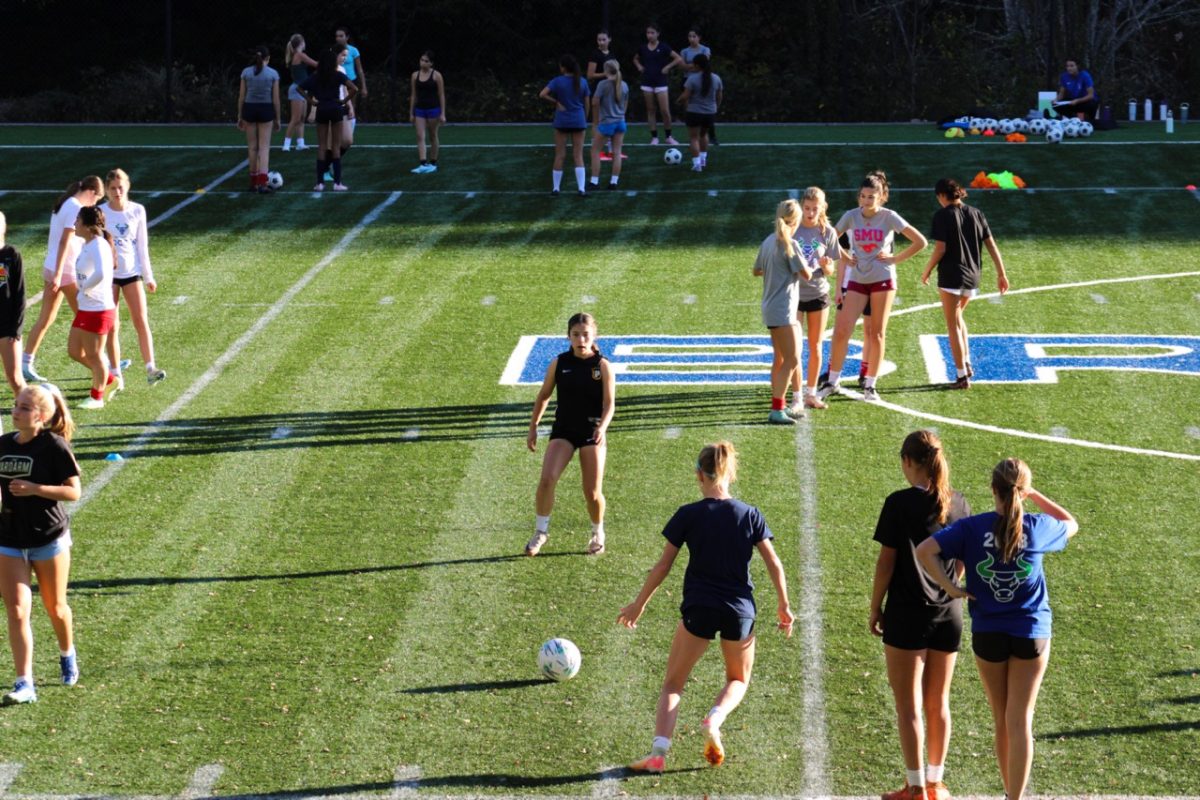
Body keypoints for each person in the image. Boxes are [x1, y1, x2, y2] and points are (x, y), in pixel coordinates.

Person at [618, 441, 794, 773]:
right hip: (740, 611)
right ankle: (715, 718)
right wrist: (784, 605)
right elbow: (774, 563)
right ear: (729, 472)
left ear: (700, 474)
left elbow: (662, 566)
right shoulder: (750, 514)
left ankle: (658, 755)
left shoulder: (688, 514)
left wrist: (638, 604)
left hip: (699, 607)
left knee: (673, 684)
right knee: (737, 679)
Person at [916, 459, 1079, 800]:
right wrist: (1034, 496)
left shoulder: (973, 528)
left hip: (988, 632)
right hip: (1032, 630)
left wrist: (953, 588)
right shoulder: (1036, 526)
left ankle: (1008, 790)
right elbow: (1070, 523)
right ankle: (1013, 798)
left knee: (1002, 719)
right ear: (1023, 490)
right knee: (1021, 720)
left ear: (993, 490)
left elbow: (925, 551)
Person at [870, 431, 971, 800]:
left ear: (908, 461)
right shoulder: (958, 503)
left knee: (908, 705)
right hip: (949, 614)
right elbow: (960, 562)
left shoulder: (898, 503)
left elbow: (886, 562)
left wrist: (874, 606)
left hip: (906, 613)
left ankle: (914, 787)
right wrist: (949, 587)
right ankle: (936, 782)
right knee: (938, 702)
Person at [0, 383, 81, 704]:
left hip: (48, 538)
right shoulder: (3, 444)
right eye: (16, 405)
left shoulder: (54, 447)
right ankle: (24, 683)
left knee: (55, 607)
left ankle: (67, 652)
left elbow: (74, 492)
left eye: (23, 408)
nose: (15, 411)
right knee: (17, 610)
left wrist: (36, 489)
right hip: (8, 538)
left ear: (42, 416)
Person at [820, 171, 928, 403]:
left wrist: (894, 259)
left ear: (881, 197)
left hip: (883, 280)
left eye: (871, 197)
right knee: (841, 331)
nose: (866, 201)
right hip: (858, 280)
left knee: (877, 333)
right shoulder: (851, 215)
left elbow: (921, 241)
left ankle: (870, 386)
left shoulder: (890, 217)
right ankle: (832, 382)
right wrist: (844, 256)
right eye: (863, 196)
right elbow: (829, 238)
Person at [525, 312, 614, 557]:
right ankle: (541, 531)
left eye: (585, 334)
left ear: (594, 336)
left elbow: (609, 404)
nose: (581, 339)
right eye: (576, 335)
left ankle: (598, 532)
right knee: (547, 479)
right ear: (568, 336)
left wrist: (602, 427)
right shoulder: (560, 363)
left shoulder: (602, 366)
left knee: (592, 492)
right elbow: (544, 395)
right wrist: (533, 426)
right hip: (563, 430)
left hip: (591, 432)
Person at [920, 178, 1009, 389]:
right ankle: (967, 364)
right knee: (959, 319)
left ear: (942, 196)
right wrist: (1001, 274)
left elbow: (940, 249)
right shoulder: (976, 213)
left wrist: (927, 269)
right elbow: (992, 245)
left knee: (952, 325)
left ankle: (961, 376)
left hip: (951, 275)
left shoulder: (942, 215)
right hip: (973, 276)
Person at [22, 176, 104, 384]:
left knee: (46, 318)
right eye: (96, 200)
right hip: (64, 271)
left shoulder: (66, 203)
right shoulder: (74, 207)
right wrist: (59, 274)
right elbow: (64, 242)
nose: (94, 205)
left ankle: (25, 362)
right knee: (87, 317)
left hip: (53, 268)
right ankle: (104, 365)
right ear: (91, 192)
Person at [100, 169, 167, 388]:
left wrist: (148, 276)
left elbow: (142, 245)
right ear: (107, 191)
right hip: (109, 276)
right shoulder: (100, 212)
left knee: (141, 320)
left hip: (132, 273)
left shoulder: (138, 210)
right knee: (112, 325)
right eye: (112, 188)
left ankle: (150, 367)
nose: (117, 192)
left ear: (127, 187)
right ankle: (115, 372)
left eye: (120, 187)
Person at [752, 199, 812, 425]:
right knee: (793, 359)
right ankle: (777, 408)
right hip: (783, 309)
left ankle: (778, 404)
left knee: (780, 358)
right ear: (795, 221)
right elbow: (806, 274)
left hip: (770, 306)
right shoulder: (790, 244)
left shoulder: (768, 241)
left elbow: (756, 270)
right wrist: (821, 265)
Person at [792, 187, 840, 410]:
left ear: (823, 208)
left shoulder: (827, 232)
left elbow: (831, 269)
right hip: (793, 295)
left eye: (815, 209)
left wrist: (826, 266)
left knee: (815, 345)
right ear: (802, 206)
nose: (810, 213)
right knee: (794, 348)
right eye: (807, 208)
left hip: (818, 294)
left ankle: (811, 393)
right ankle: (795, 394)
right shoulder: (792, 228)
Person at [69, 206, 117, 410]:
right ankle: (109, 379)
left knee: (94, 355)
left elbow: (102, 273)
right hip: (86, 306)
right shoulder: (86, 244)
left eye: (78, 220)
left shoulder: (99, 245)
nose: (74, 224)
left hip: (98, 308)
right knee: (74, 351)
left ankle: (97, 397)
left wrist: (85, 288)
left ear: (88, 226)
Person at [298, 48, 357, 192]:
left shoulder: (316, 76)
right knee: (336, 147)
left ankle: (320, 183)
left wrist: (311, 102)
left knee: (322, 146)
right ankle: (337, 183)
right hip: (336, 109)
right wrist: (344, 100)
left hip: (322, 109)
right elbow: (355, 88)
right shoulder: (337, 74)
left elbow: (299, 88)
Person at [539, 55, 591, 197]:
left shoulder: (557, 81)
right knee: (578, 155)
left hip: (562, 121)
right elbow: (587, 103)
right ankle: (581, 189)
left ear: (563, 67)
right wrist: (584, 118)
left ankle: (556, 188)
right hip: (578, 120)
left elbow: (542, 94)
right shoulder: (583, 82)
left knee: (560, 155)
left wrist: (556, 102)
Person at [236, 45, 281, 194]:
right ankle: (263, 183)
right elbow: (276, 99)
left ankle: (253, 183)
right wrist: (278, 118)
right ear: (268, 58)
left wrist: (239, 115)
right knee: (264, 148)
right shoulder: (273, 74)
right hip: (265, 109)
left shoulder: (246, 72)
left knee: (252, 147)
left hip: (249, 108)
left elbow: (241, 96)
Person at [632, 23, 683, 145]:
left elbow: (678, 58)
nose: (649, 35)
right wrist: (639, 66)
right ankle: (654, 137)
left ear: (658, 34)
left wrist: (667, 67)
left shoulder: (664, 47)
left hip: (661, 82)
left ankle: (668, 136)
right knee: (650, 110)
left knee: (665, 110)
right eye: (648, 33)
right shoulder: (643, 48)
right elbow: (635, 58)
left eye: (652, 33)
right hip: (647, 82)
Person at [677, 53, 722, 172]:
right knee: (704, 135)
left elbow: (685, 96)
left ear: (697, 65)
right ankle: (703, 160)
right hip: (710, 113)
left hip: (694, 112)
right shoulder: (716, 78)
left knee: (693, 138)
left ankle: (697, 164)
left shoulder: (692, 78)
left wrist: (678, 100)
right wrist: (715, 107)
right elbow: (719, 96)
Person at [588, 60, 627, 190]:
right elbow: (625, 105)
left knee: (595, 151)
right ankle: (614, 182)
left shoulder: (602, 84)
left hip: (607, 123)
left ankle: (594, 182)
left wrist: (595, 122)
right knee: (617, 153)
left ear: (605, 71)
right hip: (620, 122)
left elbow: (594, 103)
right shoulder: (624, 85)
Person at [0, 212, 26, 397]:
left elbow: (20, 293)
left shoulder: (12, 255)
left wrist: (16, 328)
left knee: (15, 378)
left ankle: (36, 417)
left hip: (7, 327)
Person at [409, 51, 446, 174]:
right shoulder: (415, 75)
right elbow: (413, 95)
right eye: (421, 60)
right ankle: (423, 163)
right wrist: (411, 113)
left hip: (433, 109)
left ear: (431, 63)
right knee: (420, 136)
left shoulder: (437, 75)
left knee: (433, 135)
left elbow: (441, 95)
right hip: (420, 109)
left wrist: (442, 113)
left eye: (426, 61)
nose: (422, 62)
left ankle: (433, 163)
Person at [679, 27, 718, 145]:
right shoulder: (684, 51)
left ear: (699, 37)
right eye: (689, 36)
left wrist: (691, 65)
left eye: (694, 36)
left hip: (703, 80)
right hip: (688, 81)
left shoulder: (705, 49)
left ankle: (712, 136)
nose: (691, 39)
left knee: (706, 109)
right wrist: (696, 65)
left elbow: (704, 62)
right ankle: (693, 137)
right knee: (689, 109)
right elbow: (682, 66)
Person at [585, 30, 619, 161]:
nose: (601, 42)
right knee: (597, 120)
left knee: (611, 118)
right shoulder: (595, 54)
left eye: (604, 39)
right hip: (598, 90)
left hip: (611, 91)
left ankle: (611, 150)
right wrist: (605, 74)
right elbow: (590, 75)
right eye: (599, 40)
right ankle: (597, 150)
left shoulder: (612, 55)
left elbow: (616, 72)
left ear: (609, 39)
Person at [282, 34, 318, 152]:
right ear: (301, 43)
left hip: (303, 89)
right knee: (295, 118)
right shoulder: (300, 55)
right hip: (297, 89)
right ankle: (286, 145)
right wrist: (329, 62)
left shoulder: (298, 55)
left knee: (302, 118)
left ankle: (300, 143)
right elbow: (315, 64)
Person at [334, 26, 367, 122]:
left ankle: (350, 133)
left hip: (351, 81)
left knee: (351, 106)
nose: (338, 38)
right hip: (337, 81)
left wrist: (364, 86)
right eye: (337, 36)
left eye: (341, 36)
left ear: (347, 37)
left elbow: (359, 69)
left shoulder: (353, 50)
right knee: (338, 105)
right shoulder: (333, 50)